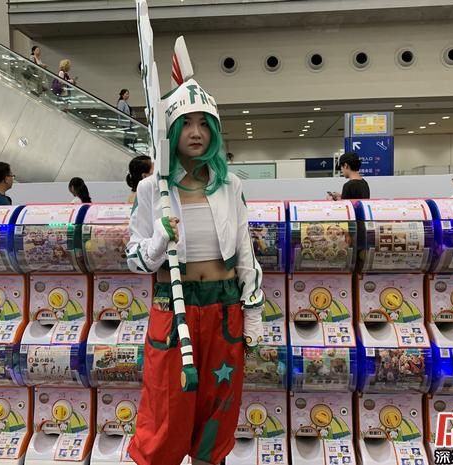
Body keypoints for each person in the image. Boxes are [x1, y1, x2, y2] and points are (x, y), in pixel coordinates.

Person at [126, 79, 264, 465]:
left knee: (218, 410)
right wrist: (159, 239)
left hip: (224, 307)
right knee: (166, 410)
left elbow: (245, 252)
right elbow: (134, 259)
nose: (196, 132)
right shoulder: (151, 189)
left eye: (204, 123)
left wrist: (253, 312)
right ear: (171, 130)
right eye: (187, 123)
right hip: (174, 308)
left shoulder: (230, 185)